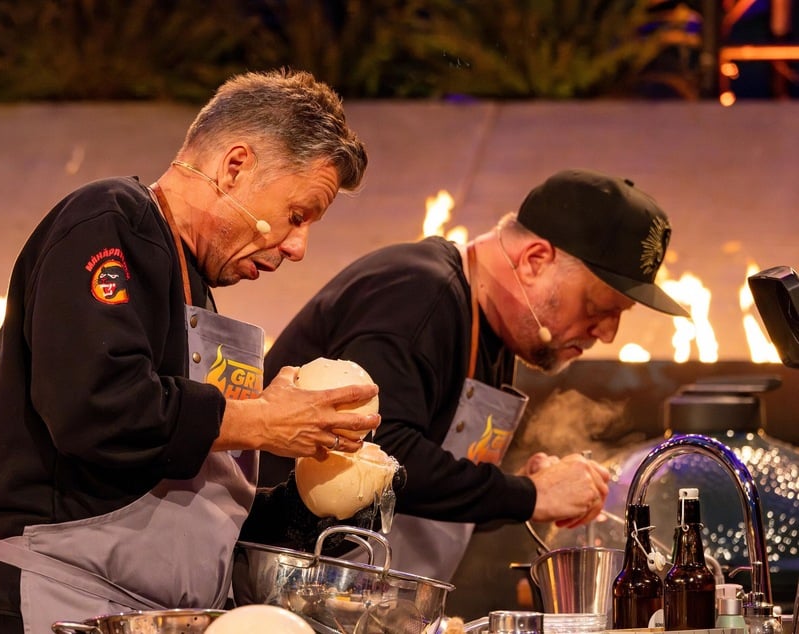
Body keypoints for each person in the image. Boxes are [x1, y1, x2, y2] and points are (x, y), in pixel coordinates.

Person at [0, 68, 377, 633]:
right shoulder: (107, 221)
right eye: (297, 216)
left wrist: (321, 502)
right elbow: (97, 406)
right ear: (235, 166)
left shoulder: (198, 291)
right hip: (58, 607)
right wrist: (257, 420)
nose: (298, 247)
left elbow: (201, 516)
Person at [258, 168, 691, 582]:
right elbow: (377, 451)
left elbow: (432, 492)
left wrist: (525, 483)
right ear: (535, 260)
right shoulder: (418, 293)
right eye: (598, 308)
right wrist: (528, 494)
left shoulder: (495, 333)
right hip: (288, 589)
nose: (608, 333)